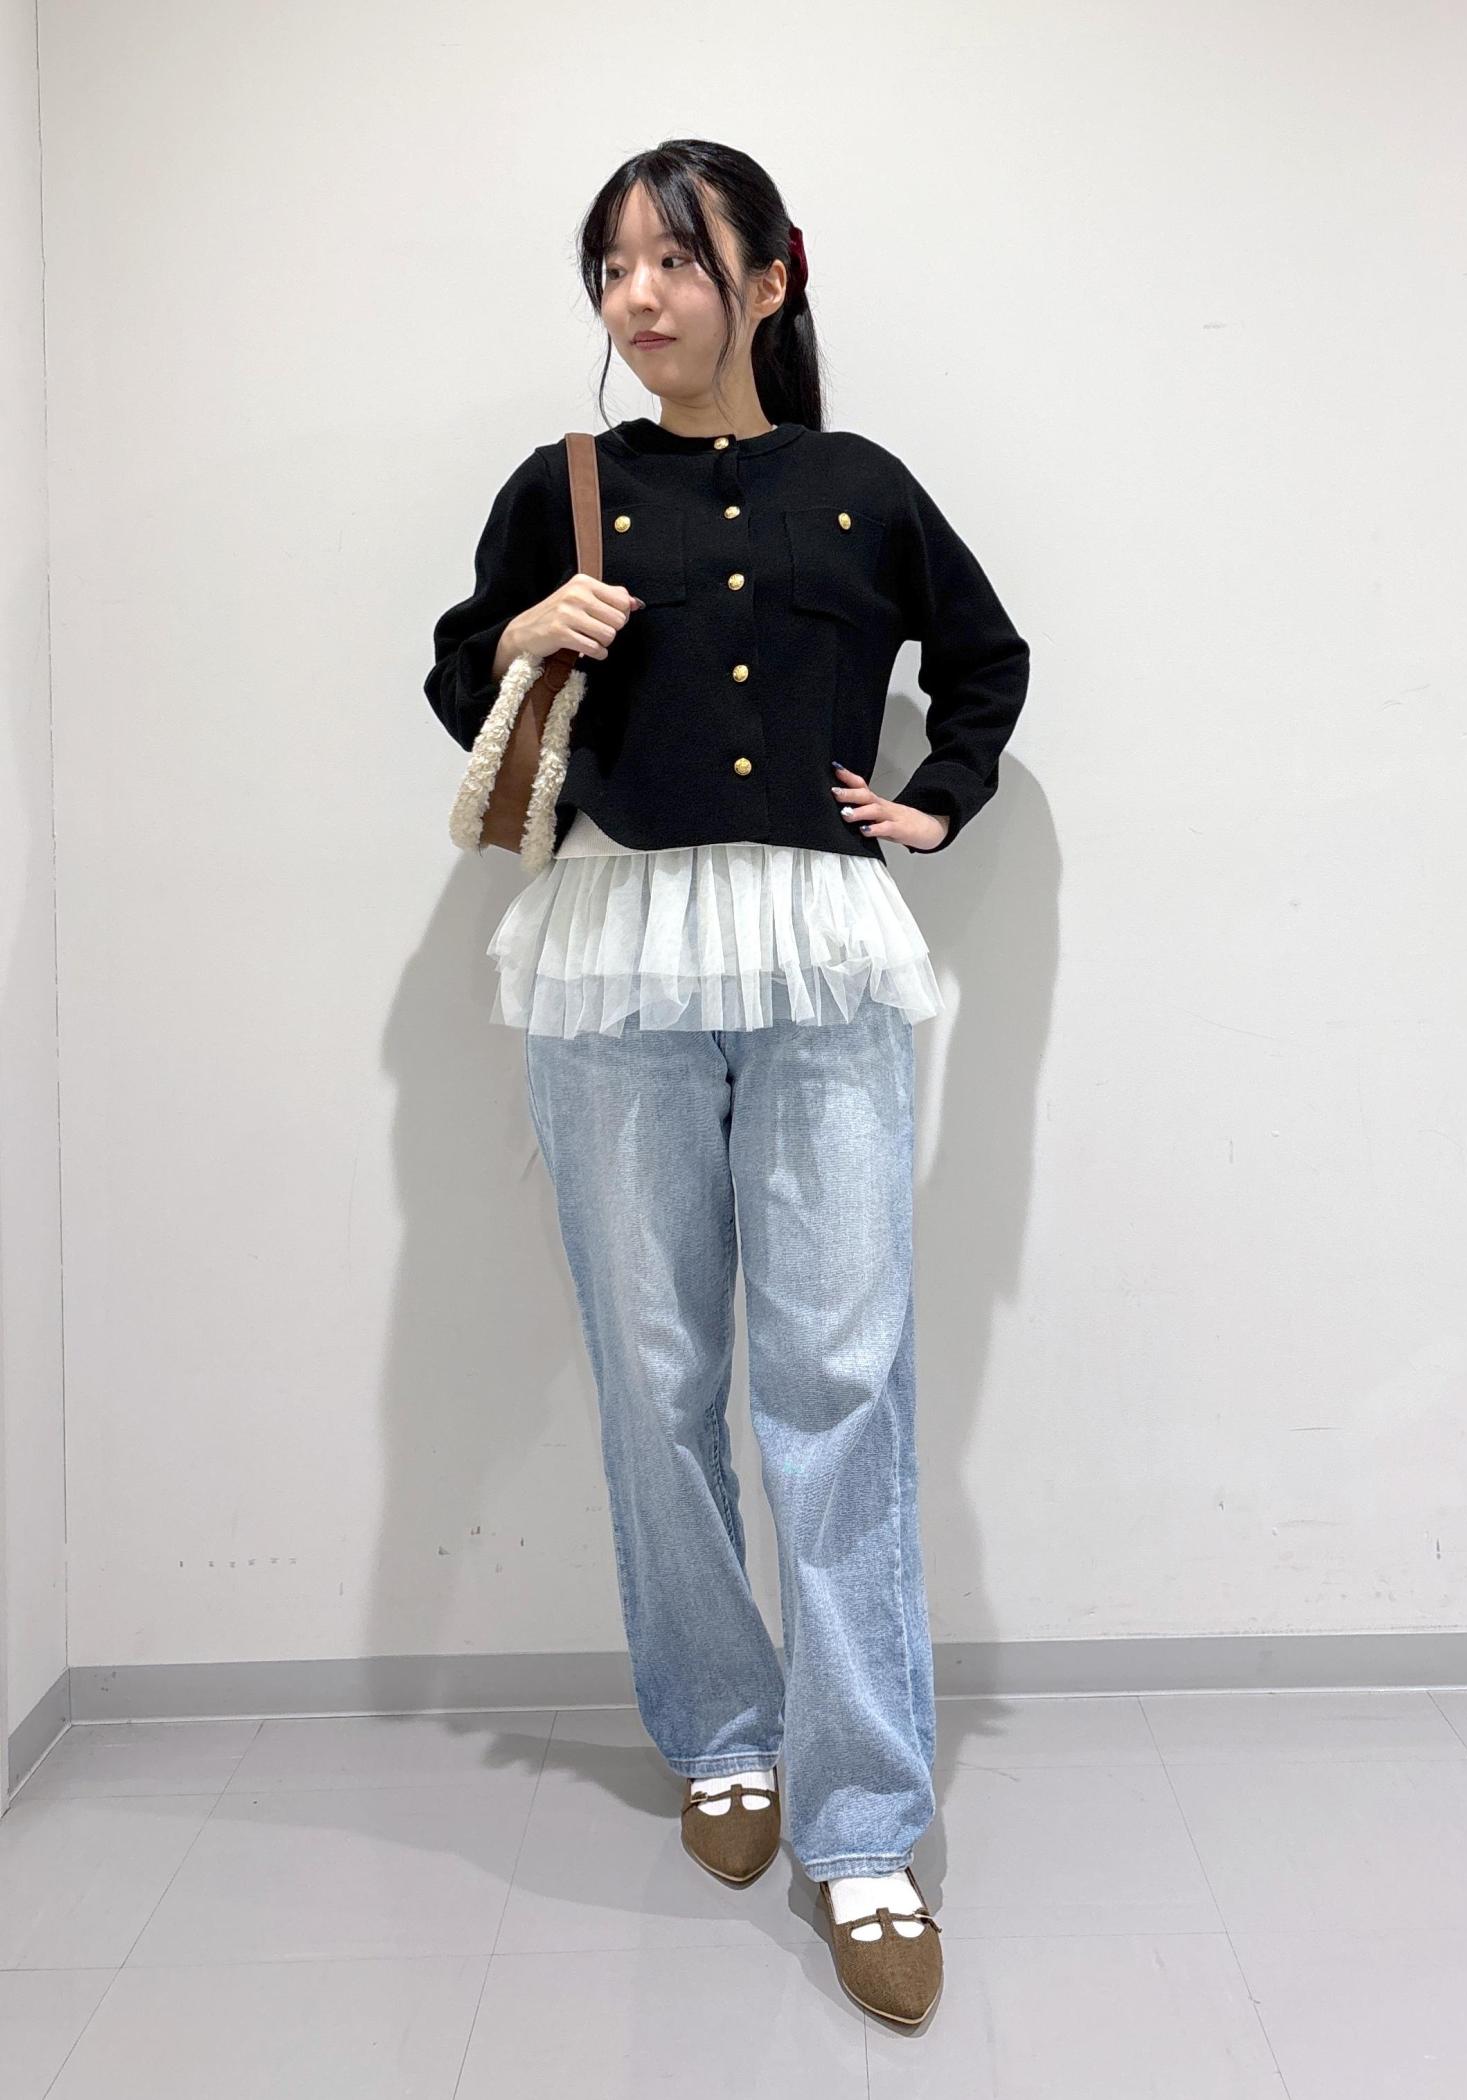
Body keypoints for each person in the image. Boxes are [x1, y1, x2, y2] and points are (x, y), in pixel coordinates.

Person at [424, 138, 1030, 2029]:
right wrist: (518, 634)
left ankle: (863, 1826)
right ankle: (722, 1731)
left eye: (675, 261)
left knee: (838, 1382)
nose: (639, 298)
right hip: (614, 955)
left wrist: (937, 798)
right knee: (656, 1371)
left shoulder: (865, 490)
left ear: (772, 275)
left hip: (821, 953)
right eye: (613, 267)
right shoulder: (563, 489)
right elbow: (458, 686)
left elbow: (987, 660)